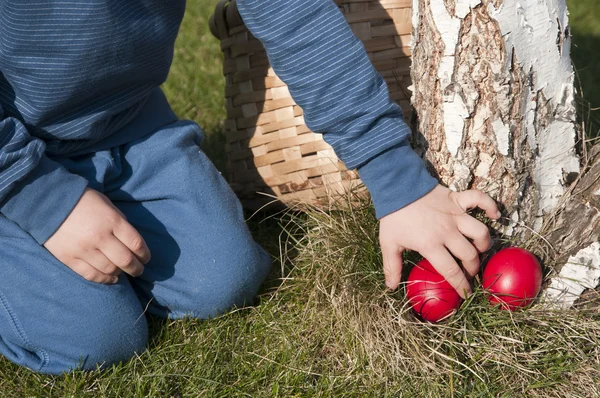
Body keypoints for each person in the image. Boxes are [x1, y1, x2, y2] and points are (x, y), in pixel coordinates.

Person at [0, 0, 499, 375]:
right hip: (9, 147)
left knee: (224, 278)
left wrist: (398, 181)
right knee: (97, 339)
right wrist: (39, 198)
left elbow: (294, 17)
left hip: (124, 124)